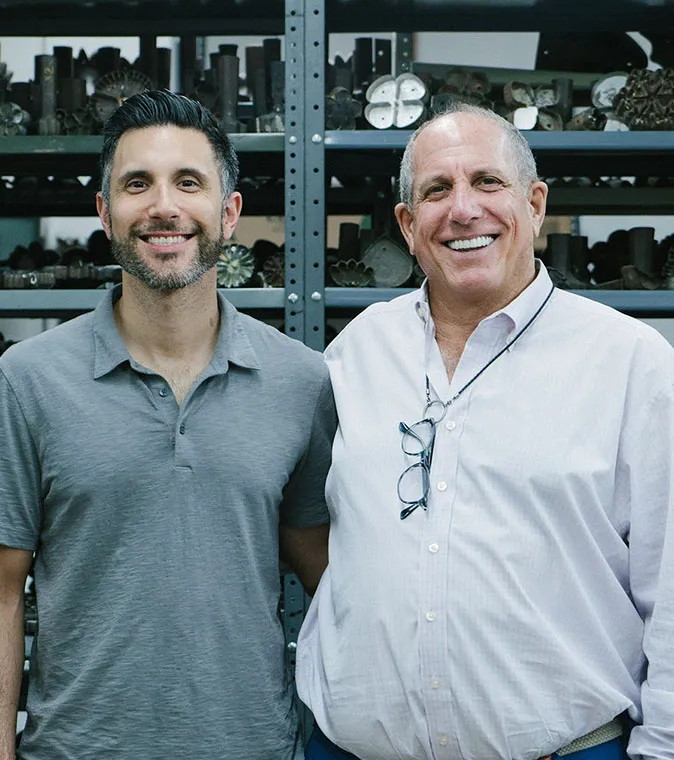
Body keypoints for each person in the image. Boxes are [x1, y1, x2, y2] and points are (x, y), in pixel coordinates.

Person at [296, 103, 674, 760]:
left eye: (487, 183)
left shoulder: (631, 365)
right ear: (409, 228)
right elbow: (317, 531)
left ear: (534, 204)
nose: (463, 209)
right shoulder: (354, 355)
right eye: (437, 191)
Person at [0, 90, 335, 760]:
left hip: (252, 748)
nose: (164, 207)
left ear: (229, 212)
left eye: (189, 182)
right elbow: (4, 589)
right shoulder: (28, 379)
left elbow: (333, 575)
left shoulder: (301, 382)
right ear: (104, 212)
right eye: (136, 184)